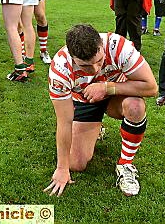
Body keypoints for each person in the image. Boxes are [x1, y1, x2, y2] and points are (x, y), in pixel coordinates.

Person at [43, 24, 157, 197]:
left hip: (116, 93)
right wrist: (62, 168)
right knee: (76, 163)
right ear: (72, 58)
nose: (95, 70)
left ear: (101, 47)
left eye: (99, 61)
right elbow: (64, 121)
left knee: (136, 106)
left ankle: (125, 164)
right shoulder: (60, 69)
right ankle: (96, 127)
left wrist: (107, 88)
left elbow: (151, 87)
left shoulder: (119, 47)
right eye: (85, 66)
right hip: (85, 100)